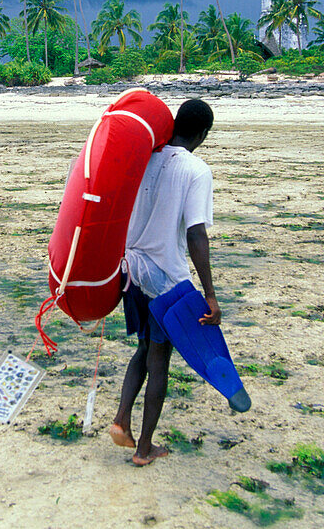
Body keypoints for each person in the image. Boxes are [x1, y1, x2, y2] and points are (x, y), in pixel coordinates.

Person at [109, 98, 218, 466]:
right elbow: (196, 235)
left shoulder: (145, 160)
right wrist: (210, 296)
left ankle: (121, 420)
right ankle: (143, 449)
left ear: (172, 125)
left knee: (142, 349)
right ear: (202, 134)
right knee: (160, 361)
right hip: (165, 279)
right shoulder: (196, 170)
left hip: (130, 270)